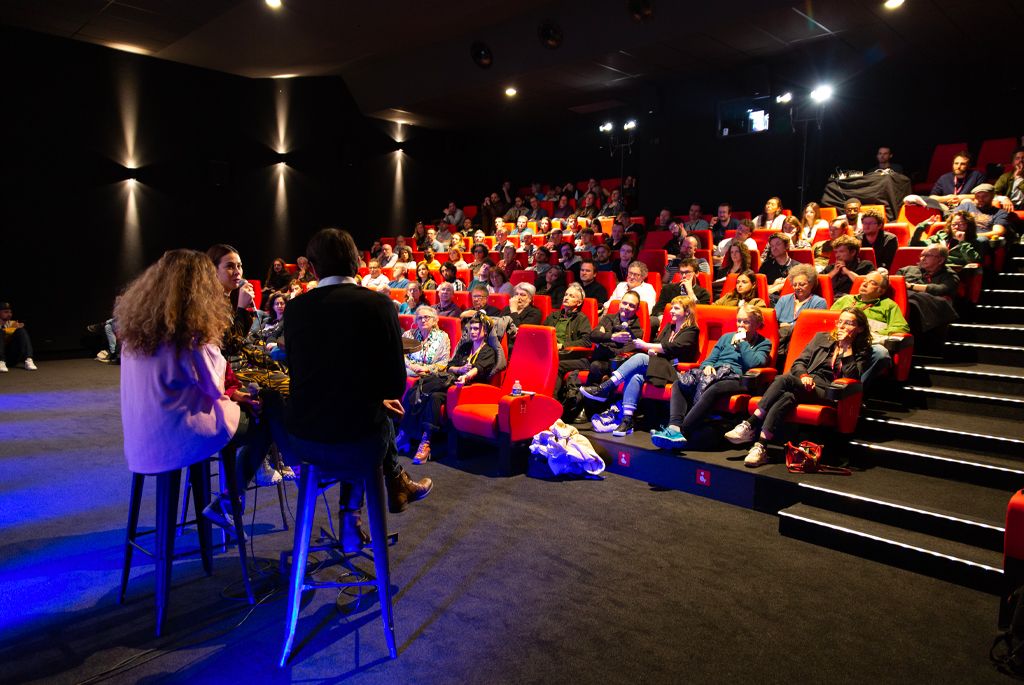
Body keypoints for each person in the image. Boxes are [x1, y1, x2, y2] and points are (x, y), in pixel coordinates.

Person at [285, 229, 431, 552]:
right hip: (358, 440)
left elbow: (303, 377)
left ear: (311, 266)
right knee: (369, 420)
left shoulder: (295, 310)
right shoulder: (379, 305)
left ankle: (360, 515)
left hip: (303, 441)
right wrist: (375, 398)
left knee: (359, 415)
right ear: (356, 262)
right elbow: (394, 385)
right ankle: (363, 510)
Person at [118, 250, 265, 536]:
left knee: (243, 409)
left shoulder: (138, 331)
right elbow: (214, 384)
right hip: (179, 435)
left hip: (141, 438)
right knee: (265, 420)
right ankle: (228, 501)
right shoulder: (191, 333)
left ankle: (227, 500)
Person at [725, 307, 871, 467]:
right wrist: (804, 376)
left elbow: (853, 379)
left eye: (848, 323)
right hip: (806, 384)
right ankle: (760, 446)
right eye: (840, 321)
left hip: (830, 391)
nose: (841, 326)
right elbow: (800, 362)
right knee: (787, 396)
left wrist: (847, 347)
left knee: (783, 379)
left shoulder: (862, 350)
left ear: (860, 328)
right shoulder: (822, 338)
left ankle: (750, 423)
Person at [652, 305, 772, 449]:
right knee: (680, 383)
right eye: (739, 321)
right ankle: (674, 427)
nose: (741, 325)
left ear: (757, 324)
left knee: (714, 388)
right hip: (715, 373)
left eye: (746, 322)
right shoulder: (726, 338)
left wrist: (743, 343)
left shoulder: (764, 343)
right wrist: (708, 366)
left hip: (738, 378)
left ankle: (682, 431)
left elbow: (753, 363)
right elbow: (709, 360)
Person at [586, 295, 701, 437]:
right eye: (671, 307)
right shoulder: (669, 327)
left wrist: (647, 346)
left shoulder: (691, 330)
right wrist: (653, 349)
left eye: (676, 308)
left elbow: (673, 347)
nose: (671, 311)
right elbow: (659, 344)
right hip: (659, 367)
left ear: (687, 312)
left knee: (640, 357)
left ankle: (606, 387)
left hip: (677, 372)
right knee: (636, 376)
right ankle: (627, 419)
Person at [399, 312, 498, 464]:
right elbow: (450, 366)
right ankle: (408, 434)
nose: (472, 332)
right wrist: (459, 370)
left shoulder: (488, 351)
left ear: (485, 331)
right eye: (471, 328)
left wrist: (466, 375)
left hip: (470, 389)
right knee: (422, 389)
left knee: (432, 394)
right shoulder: (465, 347)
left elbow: (478, 369)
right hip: (451, 383)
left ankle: (424, 442)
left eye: (476, 329)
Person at [830, 270, 909, 387]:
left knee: (881, 353)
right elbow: (827, 318)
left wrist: (875, 333)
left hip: (866, 341)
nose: (864, 284)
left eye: (871, 283)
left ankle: (854, 389)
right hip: (840, 338)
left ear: (881, 290)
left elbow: (902, 327)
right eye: (864, 281)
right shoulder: (845, 300)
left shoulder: (888, 305)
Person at [582, 290, 645, 389]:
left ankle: (591, 400)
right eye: (624, 303)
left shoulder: (636, 330)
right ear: (620, 303)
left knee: (596, 366)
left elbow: (620, 355)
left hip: (614, 365)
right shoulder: (608, 318)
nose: (626, 307)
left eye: (631, 305)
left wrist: (602, 341)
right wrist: (612, 337)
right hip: (595, 357)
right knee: (562, 365)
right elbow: (593, 336)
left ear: (637, 309)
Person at [207, 244, 256, 363]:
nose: (237, 272)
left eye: (239, 266)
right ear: (213, 270)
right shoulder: (208, 303)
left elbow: (244, 336)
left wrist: (248, 310)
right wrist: (241, 309)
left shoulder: (233, 296)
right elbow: (230, 348)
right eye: (230, 266)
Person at [896, 244, 960, 335]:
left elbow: (941, 289)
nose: (923, 258)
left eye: (928, 255)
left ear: (941, 260)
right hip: (902, 302)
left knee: (913, 302)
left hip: (928, 310)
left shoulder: (949, 275)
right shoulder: (906, 270)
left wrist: (910, 286)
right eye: (922, 255)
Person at [542, 283, 593, 392]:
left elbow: (586, 342)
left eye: (571, 296)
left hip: (572, 356)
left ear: (579, 303)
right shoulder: (553, 316)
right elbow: (542, 333)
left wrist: (563, 345)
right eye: (566, 294)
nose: (566, 297)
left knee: (555, 363)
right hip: (549, 352)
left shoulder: (581, 319)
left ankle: (552, 399)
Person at [773, 264, 827, 361]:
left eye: (802, 284)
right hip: (780, 340)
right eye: (794, 285)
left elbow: (811, 328)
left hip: (802, 341)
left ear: (811, 284)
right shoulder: (784, 299)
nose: (797, 287)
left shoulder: (819, 302)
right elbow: (773, 322)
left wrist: (788, 327)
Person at [652, 258, 710, 332]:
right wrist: (662, 319)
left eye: (687, 272)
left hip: (690, 326)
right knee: (652, 321)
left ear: (696, 273)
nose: (684, 276)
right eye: (681, 273)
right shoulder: (668, 289)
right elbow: (657, 309)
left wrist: (690, 292)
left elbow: (701, 315)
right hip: (669, 322)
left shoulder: (704, 293)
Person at [909, 211, 982, 267]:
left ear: (968, 225)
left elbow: (973, 261)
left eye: (961, 224)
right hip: (933, 268)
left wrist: (962, 242)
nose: (956, 227)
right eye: (953, 224)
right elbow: (914, 245)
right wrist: (921, 226)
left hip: (954, 271)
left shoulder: (973, 241)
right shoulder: (941, 236)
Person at [404, 305, 451, 377]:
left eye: (426, 317)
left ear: (434, 320)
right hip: (409, 369)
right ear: (416, 321)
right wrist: (410, 366)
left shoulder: (442, 337)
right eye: (419, 318)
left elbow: (444, 362)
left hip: (430, 374)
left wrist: (426, 368)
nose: (423, 320)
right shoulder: (408, 334)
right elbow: (400, 354)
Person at [758, 232, 801, 302]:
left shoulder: (798, 267)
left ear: (786, 246)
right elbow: (760, 288)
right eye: (772, 246)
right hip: (768, 301)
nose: (774, 248)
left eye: (778, 244)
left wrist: (780, 286)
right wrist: (775, 286)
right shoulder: (765, 266)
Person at [0, 302, 37, 372]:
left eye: (10, 312)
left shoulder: (12, 323)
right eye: (6, 312)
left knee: (21, 330)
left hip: (11, 357)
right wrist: (11, 329)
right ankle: (0, 361)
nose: (9, 314)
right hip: (1, 357)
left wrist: (15, 329)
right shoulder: (12, 325)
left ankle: (28, 359)